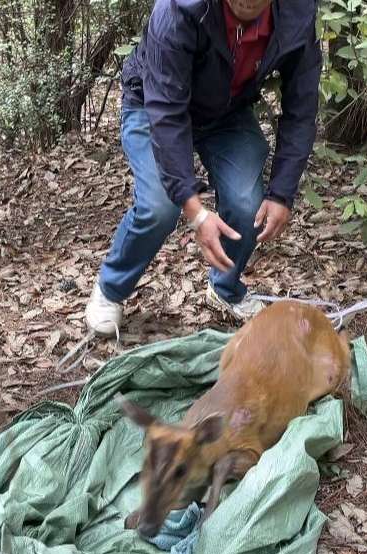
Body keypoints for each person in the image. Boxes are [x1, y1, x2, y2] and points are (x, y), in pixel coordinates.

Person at [84, 0, 323, 334]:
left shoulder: (297, 13)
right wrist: (197, 213)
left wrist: (282, 193)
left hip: (227, 111)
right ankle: (111, 289)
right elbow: (167, 117)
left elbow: (302, 108)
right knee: (159, 206)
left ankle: (224, 287)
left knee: (247, 203)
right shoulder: (179, 10)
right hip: (153, 105)